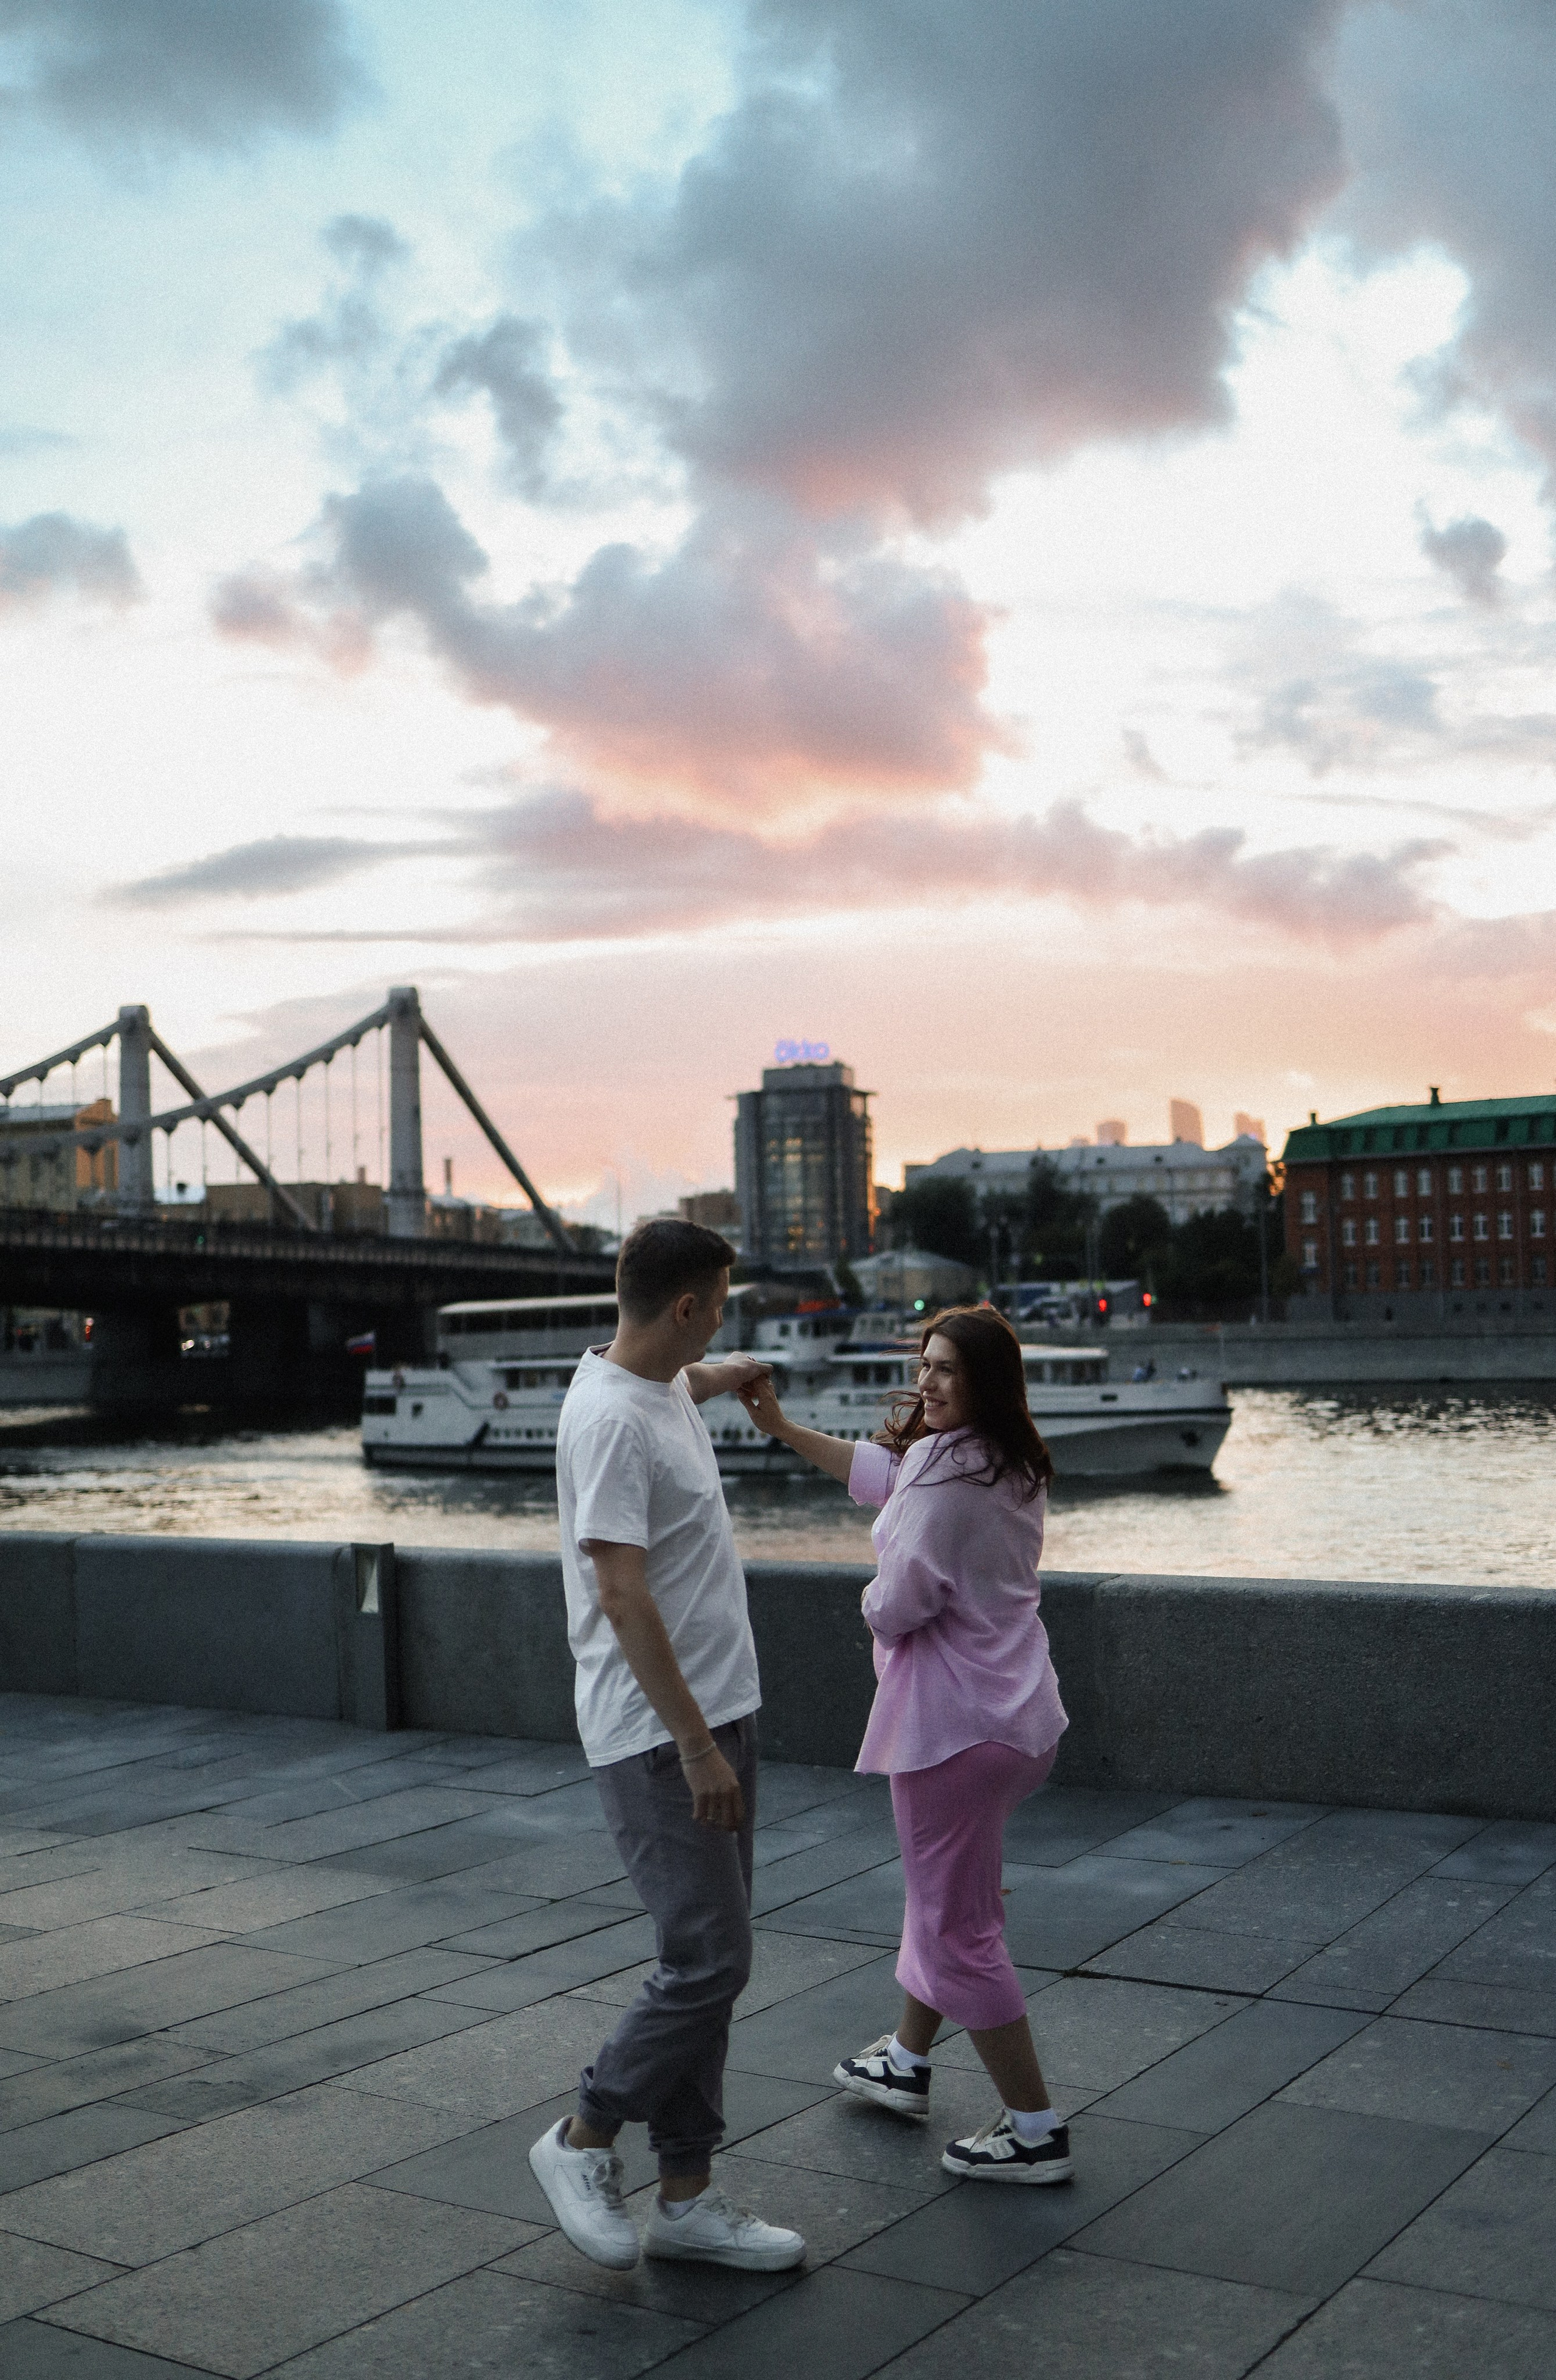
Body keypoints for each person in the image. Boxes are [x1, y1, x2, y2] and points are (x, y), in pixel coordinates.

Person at [738, 1304, 1073, 2184]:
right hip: (1018, 1718)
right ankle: (905, 2059)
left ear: (984, 1384)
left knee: (960, 1929)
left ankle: (1036, 2130)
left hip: (950, 1733)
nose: (926, 1383)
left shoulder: (942, 1482)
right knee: (947, 1897)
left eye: (947, 1372)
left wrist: (869, 1601)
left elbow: (898, 1602)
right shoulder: (1007, 1461)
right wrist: (780, 1429)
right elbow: (882, 1472)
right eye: (924, 1366)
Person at [528, 1218, 806, 2272]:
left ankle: (686, 2199)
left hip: (716, 1710)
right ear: (685, 1305)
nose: (727, 1314)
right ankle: (583, 2135)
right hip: (659, 1733)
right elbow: (618, 1589)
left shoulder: (659, 1386)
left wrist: (737, 1372)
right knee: (712, 1960)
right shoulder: (610, 1422)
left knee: (705, 1958)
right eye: (722, 1302)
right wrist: (695, 1746)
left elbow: (683, 1387)